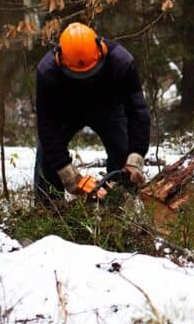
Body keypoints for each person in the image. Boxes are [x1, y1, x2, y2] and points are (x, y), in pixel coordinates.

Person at [33, 22, 151, 205]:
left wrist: (136, 157)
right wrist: (68, 174)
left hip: (109, 109)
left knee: (124, 153)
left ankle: (118, 206)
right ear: (59, 60)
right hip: (66, 113)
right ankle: (48, 209)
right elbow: (47, 127)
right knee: (47, 160)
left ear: (101, 50)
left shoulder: (121, 62)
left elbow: (138, 113)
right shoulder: (47, 72)